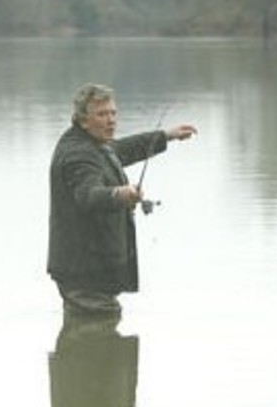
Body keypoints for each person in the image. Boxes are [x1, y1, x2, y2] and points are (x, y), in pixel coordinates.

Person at [47, 83, 197, 316]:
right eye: (102, 114)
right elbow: (88, 195)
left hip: (88, 270)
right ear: (83, 120)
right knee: (99, 330)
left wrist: (166, 136)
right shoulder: (79, 154)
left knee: (91, 338)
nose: (111, 120)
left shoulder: (92, 144)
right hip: (85, 273)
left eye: (113, 113)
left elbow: (121, 150)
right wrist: (120, 194)